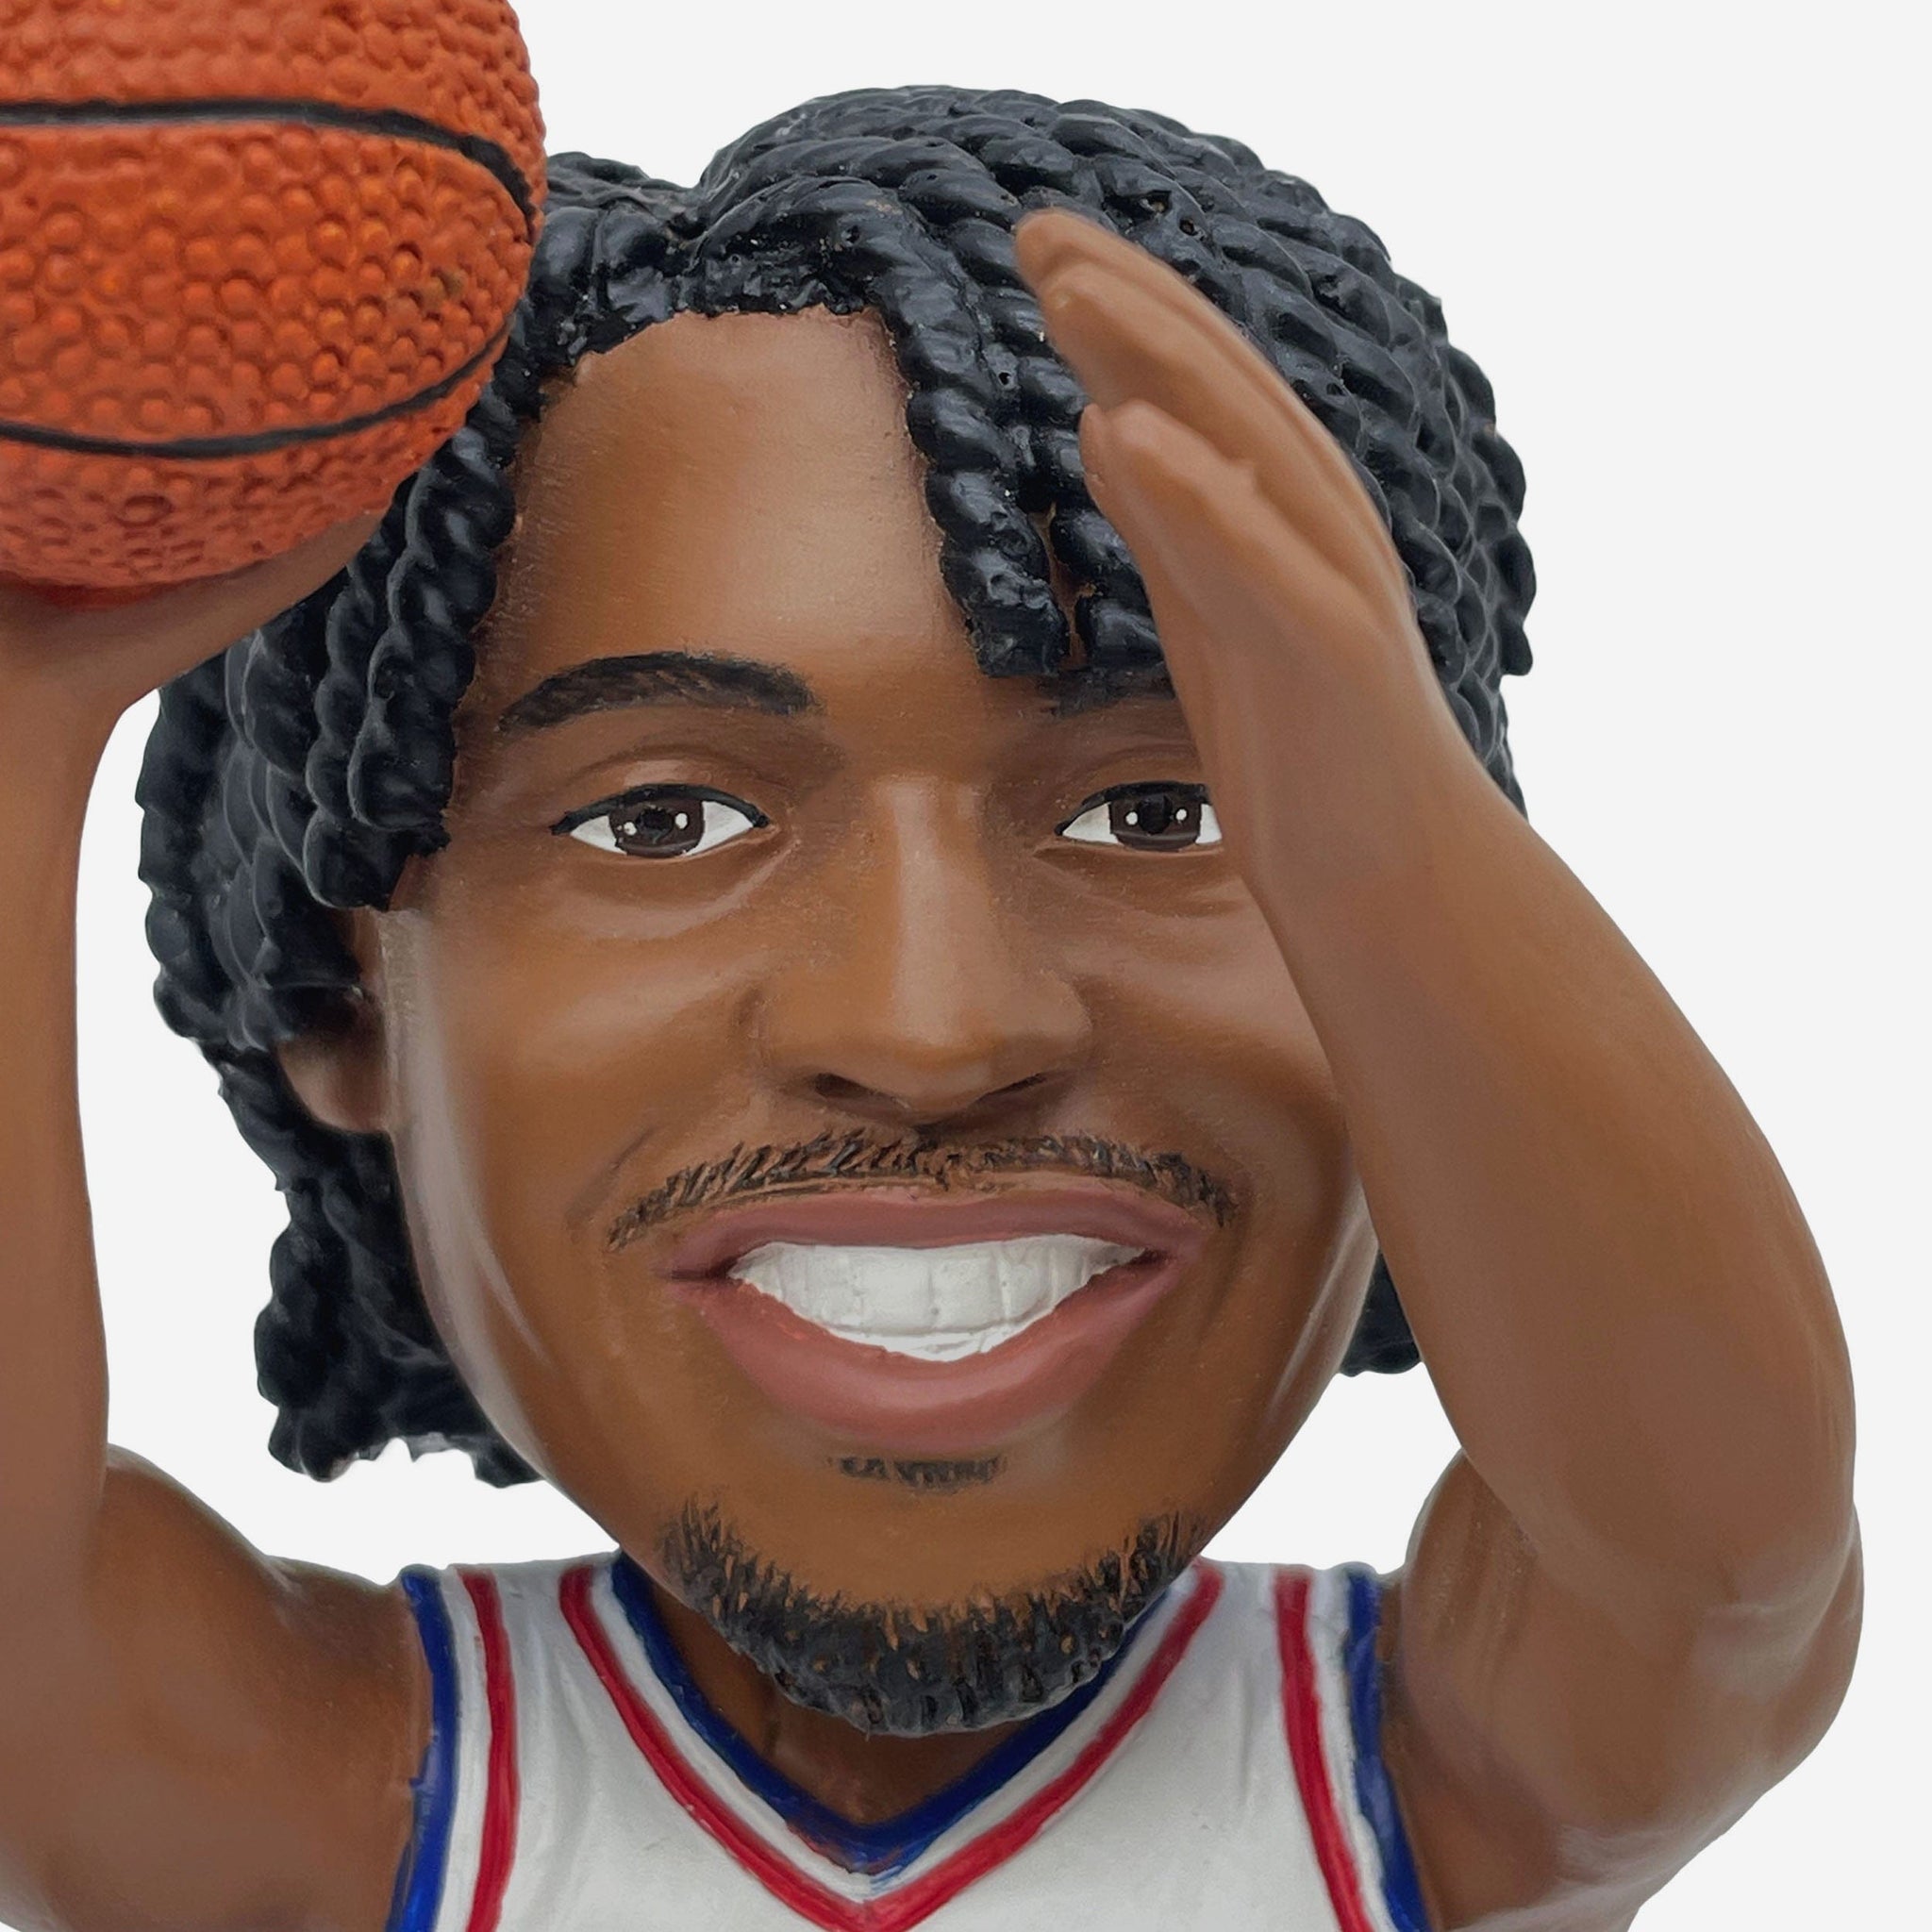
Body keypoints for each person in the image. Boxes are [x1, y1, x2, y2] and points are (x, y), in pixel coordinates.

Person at [0, 88, 1859, 1932]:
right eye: (664, 821)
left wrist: (1390, 854)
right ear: (344, 1004)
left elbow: (1716, 1559)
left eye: (1164, 812)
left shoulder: (1439, 1775)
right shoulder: (353, 1788)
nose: (937, 1030)